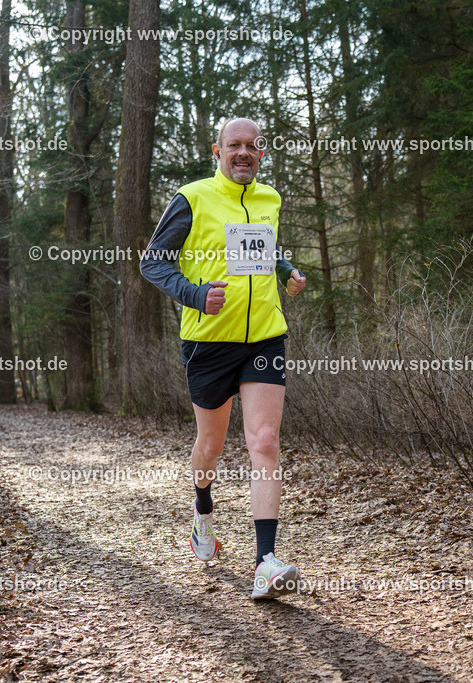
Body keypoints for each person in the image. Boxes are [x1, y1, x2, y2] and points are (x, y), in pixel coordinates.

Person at [140, 117, 307, 600]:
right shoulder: (192, 198)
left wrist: (287, 270)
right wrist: (195, 295)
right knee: (210, 446)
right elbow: (153, 261)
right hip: (208, 343)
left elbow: (263, 247)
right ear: (217, 151)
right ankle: (202, 509)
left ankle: (264, 562)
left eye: (252, 146)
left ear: (261, 152)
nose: (243, 153)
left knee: (264, 440)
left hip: (265, 338)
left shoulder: (269, 199)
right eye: (234, 145)